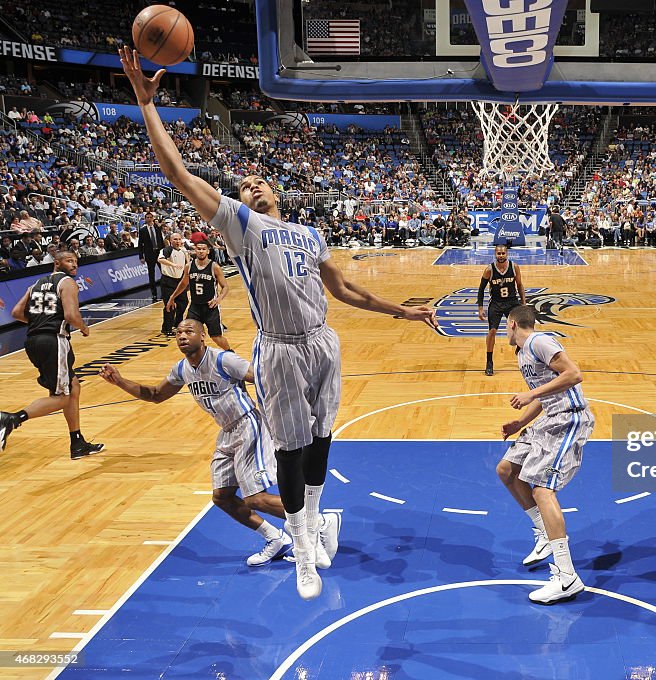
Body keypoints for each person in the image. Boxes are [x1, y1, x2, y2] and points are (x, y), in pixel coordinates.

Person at [121, 46, 437, 600]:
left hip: (323, 342)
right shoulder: (241, 225)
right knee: (289, 450)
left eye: (261, 183)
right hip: (281, 348)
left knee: (320, 437)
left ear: (278, 192)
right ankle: (300, 551)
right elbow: (176, 171)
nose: (255, 187)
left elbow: (345, 289)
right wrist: (149, 106)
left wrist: (401, 311)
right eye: (245, 186)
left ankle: (312, 524)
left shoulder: (310, 234)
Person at [99, 319, 340, 568]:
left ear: (202, 336)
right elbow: (155, 395)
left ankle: (320, 523)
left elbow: (261, 378)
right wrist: (120, 381)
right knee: (222, 497)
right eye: (178, 332)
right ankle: (275, 538)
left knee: (254, 499)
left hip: (249, 426)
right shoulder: (182, 369)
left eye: (189, 331)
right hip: (227, 432)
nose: (182, 336)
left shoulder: (223, 360)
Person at [498, 305, 594, 604]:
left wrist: (530, 394)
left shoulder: (539, 342)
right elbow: (547, 392)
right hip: (549, 419)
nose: (505, 331)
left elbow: (574, 374)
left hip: (569, 419)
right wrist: (521, 422)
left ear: (512, 323)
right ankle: (543, 532)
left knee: (542, 490)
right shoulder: (522, 353)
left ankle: (566, 578)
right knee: (507, 470)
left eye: (505, 326)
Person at [0, 250, 104, 458]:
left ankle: (77, 442)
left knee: (73, 387)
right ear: (57, 263)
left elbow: (16, 313)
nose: (74, 265)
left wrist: (40, 322)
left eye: (76, 261)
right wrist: (83, 327)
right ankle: (12, 419)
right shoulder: (67, 283)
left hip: (33, 340)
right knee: (62, 398)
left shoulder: (36, 284)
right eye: (69, 261)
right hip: (54, 341)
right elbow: (71, 315)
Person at [165, 241, 232, 350]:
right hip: (195, 306)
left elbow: (225, 287)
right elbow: (183, 283)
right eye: (198, 249)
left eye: (203, 249)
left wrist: (218, 299)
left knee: (216, 337)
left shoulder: (214, 267)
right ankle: (199, 356)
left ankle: (231, 354)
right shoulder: (189, 266)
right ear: (195, 250)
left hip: (210, 307)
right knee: (188, 333)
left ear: (208, 251)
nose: (201, 251)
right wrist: (172, 298)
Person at [477, 243, 526, 376]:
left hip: (511, 302)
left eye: (503, 253)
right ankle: (489, 362)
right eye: (498, 253)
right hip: (496, 303)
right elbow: (481, 289)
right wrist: (480, 308)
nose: (501, 256)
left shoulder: (514, 267)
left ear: (507, 254)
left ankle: (521, 348)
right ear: (495, 254)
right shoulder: (489, 270)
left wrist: (524, 303)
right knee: (492, 331)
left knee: (521, 328)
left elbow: (520, 285)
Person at [158, 232, 190, 335]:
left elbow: (187, 263)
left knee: (183, 302)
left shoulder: (183, 251)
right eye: (175, 239)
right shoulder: (167, 250)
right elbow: (160, 259)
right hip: (168, 281)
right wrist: (173, 265)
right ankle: (166, 328)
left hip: (179, 281)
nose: (177, 241)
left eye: (179, 239)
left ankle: (177, 323)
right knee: (170, 305)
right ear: (170, 241)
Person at [138, 211, 163, 302]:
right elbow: (140, 244)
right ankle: (154, 294)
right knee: (151, 274)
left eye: (150, 217)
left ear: (153, 218)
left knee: (164, 272)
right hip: (149, 254)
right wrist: (141, 256)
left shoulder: (157, 228)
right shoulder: (143, 230)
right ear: (145, 219)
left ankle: (165, 291)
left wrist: (164, 253)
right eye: (147, 217)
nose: (149, 219)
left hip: (159, 253)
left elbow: (161, 240)